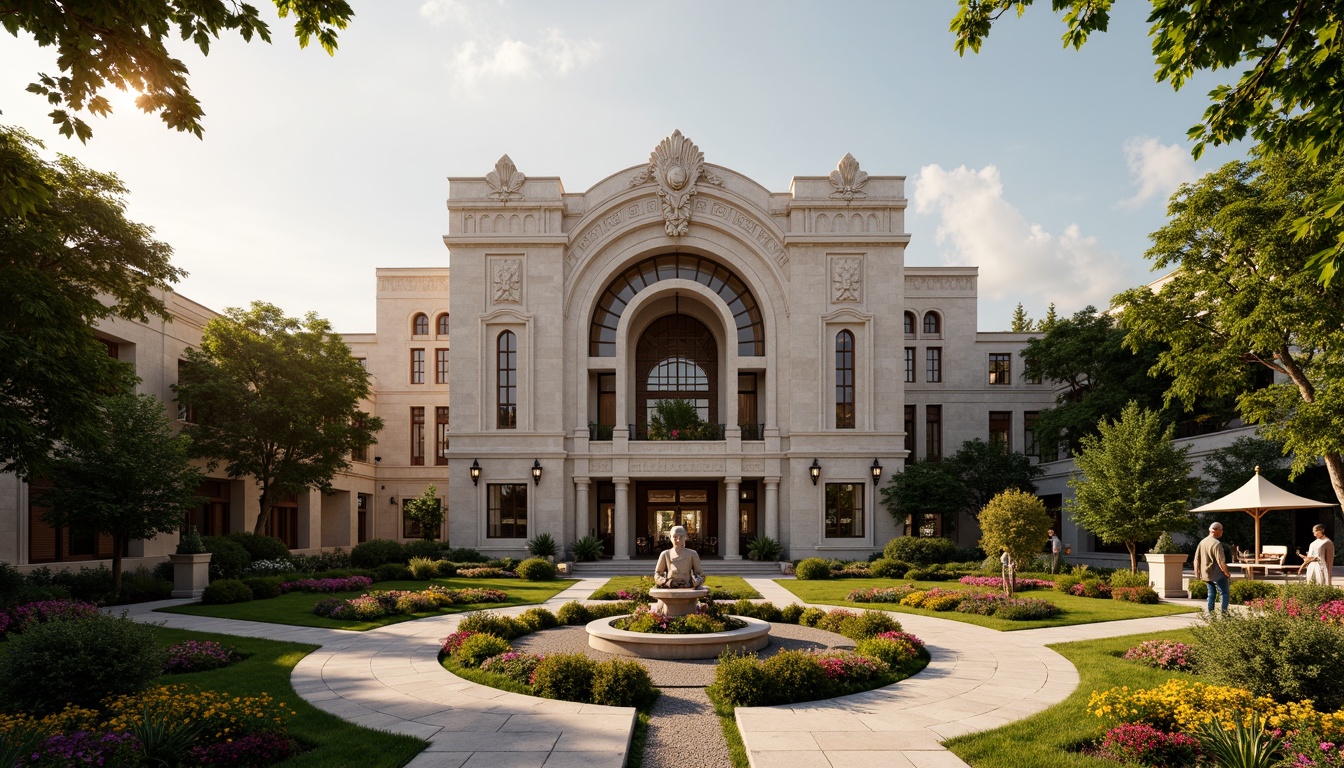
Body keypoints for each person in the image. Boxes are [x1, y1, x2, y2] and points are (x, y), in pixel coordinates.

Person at [1193, 521, 1232, 612]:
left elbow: (1196, 559)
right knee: (1225, 593)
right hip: (1217, 574)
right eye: (1221, 530)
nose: (1222, 532)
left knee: (1211, 594)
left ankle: (1210, 614)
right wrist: (1227, 573)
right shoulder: (1216, 543)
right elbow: (1221, 561)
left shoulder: (1202, 542)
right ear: (1216, 530)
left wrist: (1197, 573)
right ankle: (1224, 614)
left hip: (1206, 574)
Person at [654, 525, 705, 589]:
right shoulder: (665, 554)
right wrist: (667, 582)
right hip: (671, 589)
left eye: (681, 537)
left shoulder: (692, 554)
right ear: (670, 538)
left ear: (686, 537)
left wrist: (697, 581)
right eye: (675, 536)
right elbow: (657, 574)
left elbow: (700, 575)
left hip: (687, 587)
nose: (678, 540)